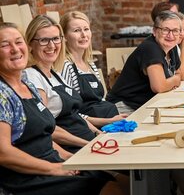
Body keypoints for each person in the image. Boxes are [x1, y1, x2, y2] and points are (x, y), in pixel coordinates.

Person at [0, 22, 125, 195]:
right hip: (27, 177)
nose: (15, 49)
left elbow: (43, 136)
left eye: (18, 42)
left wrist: (70, 158)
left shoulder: (27, 85)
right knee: (113, 190)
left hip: (52, 161)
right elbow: (3, 153)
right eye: (5, 45)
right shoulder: (2, 94)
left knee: (124, 182)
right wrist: (53, 168)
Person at [24, 15, 103, 152]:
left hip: (87, 140)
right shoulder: (32, 76)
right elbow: (46, 127)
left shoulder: (56, 74)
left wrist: (98, 134)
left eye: (55, 39)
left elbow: (75, 114)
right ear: (30, 44)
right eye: (44, 40)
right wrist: (87, 144)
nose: (51, 45)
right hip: (71, 147)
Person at [107, 11, 184, 114]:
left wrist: (173, 80)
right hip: (125, 108)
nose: (171, 35)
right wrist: (175, 79)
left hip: (146, 104)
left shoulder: (171, 47)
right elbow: (159, 87)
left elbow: (181, 74)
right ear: (155, 31)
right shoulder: (151, 49)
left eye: (175, 31)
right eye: (165, 30)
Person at [60, 11, 121, 119]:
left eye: (86, 29)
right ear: (64, 36)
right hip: (91, 128)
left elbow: (100, 100)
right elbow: (71, 112)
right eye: (77, 31)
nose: (84, 35)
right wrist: (105, 122)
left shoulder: (90, 64)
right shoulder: (66, 66)